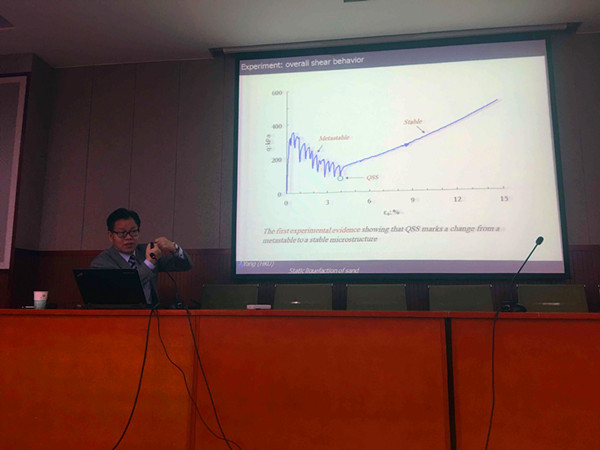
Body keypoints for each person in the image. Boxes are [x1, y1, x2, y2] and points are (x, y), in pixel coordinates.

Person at [90, 208, 192, 306]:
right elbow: (125, 287)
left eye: (133, 231)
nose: (129, 237)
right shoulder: (102, 262)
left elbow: (185, 265)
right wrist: (149, 262)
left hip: (151, 314)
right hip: (120, 315)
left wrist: (175, 248)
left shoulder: (146, 251)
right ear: (111, 236)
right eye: (122, 233)